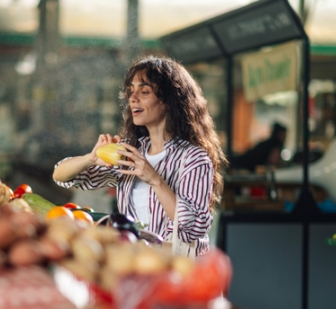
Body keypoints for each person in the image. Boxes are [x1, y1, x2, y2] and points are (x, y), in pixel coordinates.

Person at [52, 56, 226, 256]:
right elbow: (61, 176)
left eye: (144, 91)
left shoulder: (194, 159)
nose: (133, 98)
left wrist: (154, 179)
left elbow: (193, 229)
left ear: (169, 100)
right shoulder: (130, 152)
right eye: (131, 91)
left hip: (179, 272)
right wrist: (89, 159)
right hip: (137, 264)